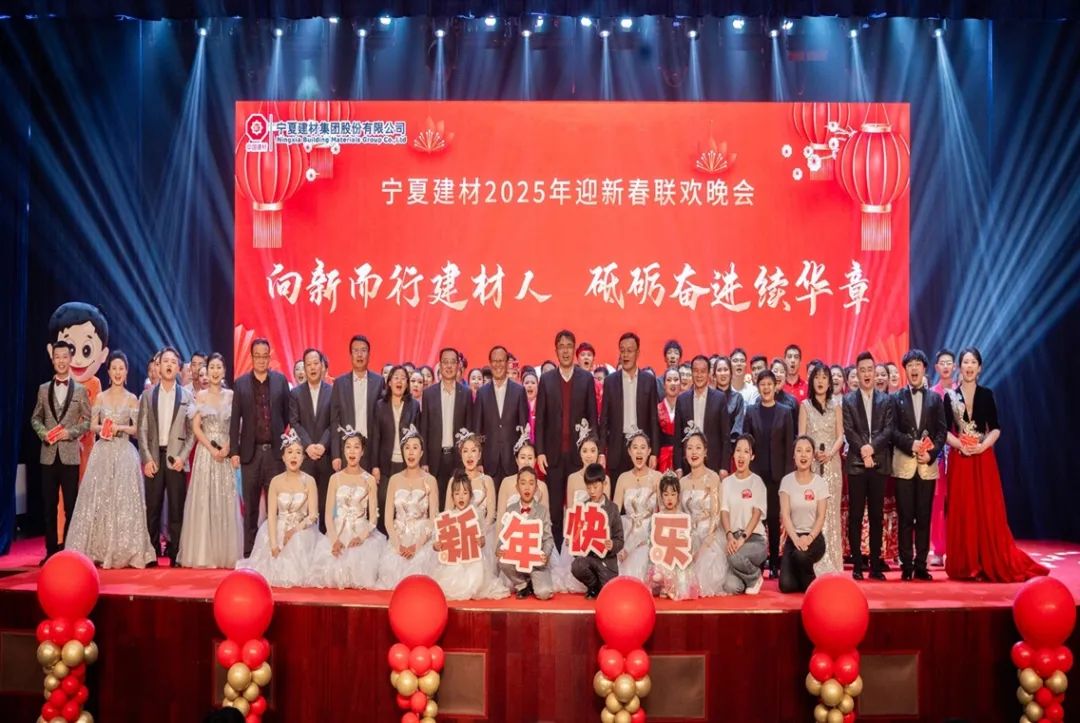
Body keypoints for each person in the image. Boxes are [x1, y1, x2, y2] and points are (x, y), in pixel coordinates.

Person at [943, 348, 1048, 582]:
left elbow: (996, 428)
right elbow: (944, 431)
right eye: (965, 362)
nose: (969, 366)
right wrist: (960, 445)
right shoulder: (950, 397)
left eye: (973, 362)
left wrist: (982, 446)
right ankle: (967, 564)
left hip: (983, 459)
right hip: (961, 459)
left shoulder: (987, 394)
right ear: (959, 367)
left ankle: (987, 560)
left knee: (986, 508)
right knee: (964, 509)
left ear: (979, 368)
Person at [65, 350, 154, 568]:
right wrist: (103, 428)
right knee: (100, 500)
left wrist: (118, 428)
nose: (117, 372)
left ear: (126, 372)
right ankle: (99, 548)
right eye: (114, 368)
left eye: (121, 368)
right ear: (109, 372)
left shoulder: (132, 398)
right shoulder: (101, 397)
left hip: (124, 453)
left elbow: (136, 430)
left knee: (123, 501)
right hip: (102, 452)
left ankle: (126, 549)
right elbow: (92, 425)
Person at [177, 353, 243, 568]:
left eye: (218, 367)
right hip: (206, 454)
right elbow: (196, 428)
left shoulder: (231, 395)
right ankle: (204, 555)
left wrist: (228, 446)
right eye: (211, 367)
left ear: (224, 371)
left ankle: (225, 553)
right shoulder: (201, 396)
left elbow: (238, 426)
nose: (215, 371)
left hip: (225, 452)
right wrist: (211, 448)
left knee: (225, 501)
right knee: (204, 501)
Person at [536, 329, 599, 549]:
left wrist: (593, 452)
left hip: (578, 456)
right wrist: (540, 451)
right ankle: (555, 553)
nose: (565, 351)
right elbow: (540, 419)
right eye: (561, 346)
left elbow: (592, 417)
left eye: (569, 346)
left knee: (579, 508)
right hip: (552, 456)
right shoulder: (546, 380)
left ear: (575, 350)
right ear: (556, 350)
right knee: (555, 510)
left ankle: (578, 553)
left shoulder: (586, 378)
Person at [889, 349, 948, 581]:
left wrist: (931, 454)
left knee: (923, 517)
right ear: (905, 370)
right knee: (905, 517)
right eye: (910, 365)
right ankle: (906, 565)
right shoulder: (896, 398)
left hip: (926, 466)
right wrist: (910, 444)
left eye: (917, 364)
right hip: (903, 464)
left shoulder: (935, 399)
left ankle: (921, 565)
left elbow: (942, 432)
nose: (914, 369)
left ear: (924, 368)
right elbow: (892, 430)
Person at [230, 337, 291, 557]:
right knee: (251, 509)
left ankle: (277, 553)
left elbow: (287, 414)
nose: (261, 360)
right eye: (257, 356)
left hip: (274, 454)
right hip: (250, 454)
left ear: (269, 356)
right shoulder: (241, 384)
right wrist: (234, 451)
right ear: (251, 357)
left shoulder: (280, 381)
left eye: (265, 356)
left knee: (277, 507)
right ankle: (249, 554)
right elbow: (235, 419)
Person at [31, 342, 91, 564]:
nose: (61, 361)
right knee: (48, 506)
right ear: (53, 359)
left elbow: (88, 421)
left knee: (71, 506)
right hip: (48, 456)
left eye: (65, 356)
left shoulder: (80, 390)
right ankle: (50, 552)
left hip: (70, 456)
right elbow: (35, 418)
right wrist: (43, 433)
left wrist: (70, 432)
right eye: (58, 357)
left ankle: (68, 550)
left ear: (70, 359)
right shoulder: (43, 389)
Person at [236, 431, 320, 587]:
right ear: (283, 457)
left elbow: (313, 515)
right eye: (290, 452)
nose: (294, 456)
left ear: (303, 457)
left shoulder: (309, 481)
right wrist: (274, 545)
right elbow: (272, 515)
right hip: (278, 527)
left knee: (299, 543)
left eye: (298, 453)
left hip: (301, 529)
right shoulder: (275, 481)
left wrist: (294, 531)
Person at [137, 346, 194, 567]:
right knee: (152, 508)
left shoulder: (187, 396)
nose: (169, 365)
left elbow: (192, 433)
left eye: (173, 362)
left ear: (178, 368)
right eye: (165, 361)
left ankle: (176, 554)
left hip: (176, 459)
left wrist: (183, 457)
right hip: (154, 457)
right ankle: (150, 554)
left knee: (176, 509)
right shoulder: (148, 395)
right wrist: (146, 459)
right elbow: (142, 429)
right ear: (158, 366)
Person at [309, 429, 386, 589]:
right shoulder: (335, 478)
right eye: (348, 447)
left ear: (362, 451)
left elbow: (373, 517)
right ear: (343, 450)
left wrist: (362, 537)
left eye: (356, 447)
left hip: (361, 531)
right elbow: (328, 515)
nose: (352, 451)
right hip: (338, 530)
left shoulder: (369, 480)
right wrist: (334, 540)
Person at [842, 351, 895, 581]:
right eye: (862, 370)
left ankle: (875, 565)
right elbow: (849, 430)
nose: (866, 374)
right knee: (855, 516)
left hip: (878, 463)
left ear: (875, 372)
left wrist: (871, 449)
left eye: (869, 370)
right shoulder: (848, 400)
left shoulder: (886, 400)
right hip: (856, 464)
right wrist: (863, 450)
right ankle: (856, 565)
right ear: (857, 373)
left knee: (876, 516)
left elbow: (888, 430)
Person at [743, 370, 794, 578]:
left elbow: (789, 445)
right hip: (756, 475)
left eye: (769, 384)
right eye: (762, 384)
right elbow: (746, 442)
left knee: (773, 519)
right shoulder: (750, 411)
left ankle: (774, 563)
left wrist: (788, 477)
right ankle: (757, 562)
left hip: (777, 476)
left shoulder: (785, 412)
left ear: (775, 387)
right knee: (755, 520)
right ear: (758, 387)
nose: (766, 388)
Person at [376, 426, 439, 588]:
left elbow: (433, 519)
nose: (411, 452)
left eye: (415, 448)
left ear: (421, 453)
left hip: (422, 539)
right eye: (407, 448)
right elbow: (388, 520)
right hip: (398, 537)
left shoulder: (430, 480)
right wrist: (398, 546)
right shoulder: (394, 480)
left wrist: (416, 546)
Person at [798, 363, 845, 574]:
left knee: (831, 514)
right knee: (813, 513)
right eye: (817, 377)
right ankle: (814, 563)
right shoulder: (805, 406)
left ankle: (832, 562)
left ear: (829, 382)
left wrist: (830, 453)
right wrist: (812, 452)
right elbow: (801, 437)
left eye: (824, 377)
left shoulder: (836, 405)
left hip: (832, 466)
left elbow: (840, 435)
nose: (820, 381)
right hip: (812, 465)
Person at [433, 472, 509, 600]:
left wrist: (481, 541)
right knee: (448, 583)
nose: (461, 497)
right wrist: (437, 546)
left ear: (471, 495)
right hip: (454, 559)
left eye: (465, 493)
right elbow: (438, 541)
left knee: (475, 579)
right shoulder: (448, 517)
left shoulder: (476, 514)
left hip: (472, 559)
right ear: (452, 496)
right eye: (457, 494)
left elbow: (482, 538)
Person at [599, 332, 659, 482]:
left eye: (629, 350)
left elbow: (653, 419)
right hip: (617, 447)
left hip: (641, 447)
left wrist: (654, 452)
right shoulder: (610, 381)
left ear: (637, 353)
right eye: (622, 350)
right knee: (618, 491)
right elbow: (604, 419)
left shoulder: (649, 381)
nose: (625, 355)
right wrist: (601, 452)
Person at [370, 365, 420, 535]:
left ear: (407, 383)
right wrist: (375, 466)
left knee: (404, 503)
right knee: (384, 502)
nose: (399, 381)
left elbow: (418, 436)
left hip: (407, 463)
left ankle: (403, 538)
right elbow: (376, 437)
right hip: (385, 464)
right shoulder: (380, 405)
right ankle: (384, 538)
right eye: (396, 378)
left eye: (403, 378)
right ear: (389, 382)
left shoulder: (414, 405)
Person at [420, 347, 471, 508]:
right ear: (440, 365)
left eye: (452, 362)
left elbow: (469, 429)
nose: (449, 366)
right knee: (437, 502)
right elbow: (424, 429)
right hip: (435, 458)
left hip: (458, 458)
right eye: (445, 362)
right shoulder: (429, 394)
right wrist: (424, 460)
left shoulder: (466, 393)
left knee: (458, 503)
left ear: (458, 366)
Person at [778, 436, 831, 593]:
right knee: (786, 586)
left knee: (801, 555)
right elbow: (785, 516)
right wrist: (796, 539)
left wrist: (809, 538)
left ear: (813, 455)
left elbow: (821, 516)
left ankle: (812, 583)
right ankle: (803, 577)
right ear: (793, 455)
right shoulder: (786, 481)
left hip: (814, 537)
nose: (803, 455)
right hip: (793, 537)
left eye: (808, 451)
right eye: (799, 451)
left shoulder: (820, 482)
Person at [290, 348, 333, 533]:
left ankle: (324, 543)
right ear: (304, 368)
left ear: (322, 366)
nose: (313, 368)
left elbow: (334, 422)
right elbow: (294, 422)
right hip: (305, 458)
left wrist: (322, 444)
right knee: (305, 507)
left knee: (324, 505)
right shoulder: (296, 393)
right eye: (309, 364)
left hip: (326, 456)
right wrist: (308, 446)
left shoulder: (332, 391)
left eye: (316, 363)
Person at [679, 428, 726, 597]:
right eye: (690, 448)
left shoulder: (713, 478)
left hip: (709, 536)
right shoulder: (682, 482)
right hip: (688, 537)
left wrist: (705, 543)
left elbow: (716, 514)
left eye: (698, 448)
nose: (694, 452)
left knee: (701, 578)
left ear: (705, 452)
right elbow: (679, 515)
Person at [474, 345, 530, 487]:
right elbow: (477, 430)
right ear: (490, 363)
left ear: (507, 363)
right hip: (488, 462)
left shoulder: (519, 391)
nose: (498, 365)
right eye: (494, 361)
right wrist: (478, 462)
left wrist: (523, 460)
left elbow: (524, 430)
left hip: (513, 461)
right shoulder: (482, 393)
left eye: (501, 361)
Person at [497, 467, 555, 600]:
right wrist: (499, 548)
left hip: (535, 562)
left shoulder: (542, 511)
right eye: (523, 483)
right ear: (517, 487)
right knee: (502, 561)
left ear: (536, 487)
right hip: (517, 559)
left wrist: (545, 554)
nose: (527, 487)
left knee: (544, 594)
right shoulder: (511, 510)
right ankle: (523, 584)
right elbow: (505, 536)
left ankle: (535, 582)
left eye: (531, 483)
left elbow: (548, 538)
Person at [720, 435, 768, 595]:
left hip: (755, 540)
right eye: (738, 450)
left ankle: (755, 577)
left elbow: (756, 514)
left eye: (746, 451)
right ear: (733, 454)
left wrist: (742, 539)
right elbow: (724, 511)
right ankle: (747, 579)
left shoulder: (757, 482)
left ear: (752, 456)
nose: (741, 455)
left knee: (733, 556)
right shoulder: (726, 483)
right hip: (733, 538)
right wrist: (729, 536)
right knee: (730, 586)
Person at [330, 335, 383, 476]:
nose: (360, 354)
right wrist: (336, 454)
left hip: (371, 449)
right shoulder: (340, 383)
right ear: (350, 355)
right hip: (347, 449)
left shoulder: (379, 382)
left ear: (369, 354)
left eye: (363, 350)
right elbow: (335, 420)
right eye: (356, 350)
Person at [612, 430, 661, 581]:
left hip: (650, 535)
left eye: (643, 447)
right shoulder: (623, 478)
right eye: (635, 447)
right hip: (628, 532)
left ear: (649, 451)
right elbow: (614, 513)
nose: (639, 451)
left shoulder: (657, 477)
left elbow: (665, 512)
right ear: (629, 451)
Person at [571, 463, 624, 599]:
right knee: (577, 566)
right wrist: (573, 541)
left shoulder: (612, 508)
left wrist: (612, 544)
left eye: (595, 487)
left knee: (610, 594)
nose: (592, 492)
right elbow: (576, 538)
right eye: (588, 488)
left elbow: (620, 539)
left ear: (604, 483)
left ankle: (601, 586)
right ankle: (593, 586)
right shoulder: (583, 508)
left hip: (606, 561)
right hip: (588, 558)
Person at [673, 355, 731, 477]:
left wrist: (724, 467)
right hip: (688, 465)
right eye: (696, 371)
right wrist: (678, 467)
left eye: (703, 371)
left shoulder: (720, 398)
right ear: (692, 372)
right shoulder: (682, 400)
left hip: (713, 464)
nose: (699, 375)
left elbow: (725, 437)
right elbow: (677, 437)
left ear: (709, 373)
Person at [451, 432, 500, 574]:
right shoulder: (453, 481)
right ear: (461, 455)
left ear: (479, 455)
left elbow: (491, 514)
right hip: (459, 534)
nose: (469, 456)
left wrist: (480, 533)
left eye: (473, 451)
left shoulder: (487, 480)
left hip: (482, 534)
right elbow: (448, 512)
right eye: (465, 451)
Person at [648, 473, 697, 600]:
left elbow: (689, 540)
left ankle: (670, 586)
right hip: (663, 557)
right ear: (661, 496)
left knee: (683, 585)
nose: (669, 498)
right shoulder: (657, 517)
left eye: (673, 494)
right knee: (657, 574)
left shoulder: (683, 517)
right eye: (666, 495)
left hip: (678, 558)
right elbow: (652, 541)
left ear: (678, 496)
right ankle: (664, 584)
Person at [929, 348, 956, 565]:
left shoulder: (960, 391)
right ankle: (938, 549)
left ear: (954, 367)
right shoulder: (931, 393)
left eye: (949, 363)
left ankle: (956, 547)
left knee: (956, 501)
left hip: (958, 451)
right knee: (937, 502)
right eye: (942, 363)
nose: (946, 366)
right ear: (937, 367)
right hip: (938, 455)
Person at [496, 434, 550, 520]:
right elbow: (500, 518)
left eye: (530, 458)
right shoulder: (506, 483)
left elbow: (545, 521)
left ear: (535, 460)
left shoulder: (542, 486)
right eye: (522, 457)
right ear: (517, 460)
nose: (526, 462)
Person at [714, 355, 747, 444]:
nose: (723, 373)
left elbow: (738, 427)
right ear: (714, 375)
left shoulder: (738, 398)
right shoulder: (709, 398)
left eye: (726, 369)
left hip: (732, 445)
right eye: (719, 370)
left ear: (731, 373)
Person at [657, 368, 680, 473]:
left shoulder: (686, 407)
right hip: (661, 457)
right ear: (664, 384)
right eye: (669, 380)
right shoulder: (657, 408)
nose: (673, 383)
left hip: (681, 456)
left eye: (676, 380)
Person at [522, 367, 539, 443]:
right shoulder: (518, 404)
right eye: (526, 383)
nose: (529, 385)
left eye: (533, 383)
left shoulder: (543, 404)